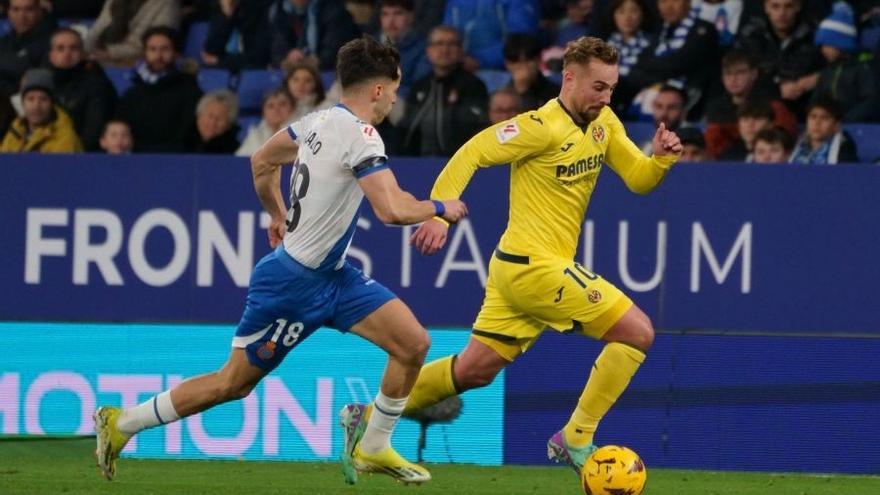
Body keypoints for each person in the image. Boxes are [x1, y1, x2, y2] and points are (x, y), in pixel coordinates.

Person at [92, 34, 468, 486]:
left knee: (412, 344)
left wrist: (278, 214)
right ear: (376, 88)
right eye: (393, 87)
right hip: (292, 285)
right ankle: (122, 422)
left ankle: (372, 446)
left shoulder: (317, 121)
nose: (393, 96)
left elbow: (262, 161)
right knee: (232, 383)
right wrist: (441, 208)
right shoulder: (362, 135)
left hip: (334, 277)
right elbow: (393, 210)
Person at [402, 36, 681, 477]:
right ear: (569, 78)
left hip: (518, 270)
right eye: (598, 87)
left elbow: (638, 179)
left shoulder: (604, 123)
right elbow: (473, 151)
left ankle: (372, 414)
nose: (606, 97)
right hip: (534, 266)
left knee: (475, 370)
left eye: (611, 87)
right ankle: (576, 438)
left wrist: (660, 160)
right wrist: (438, 212)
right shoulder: (538, 126)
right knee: (637, 332)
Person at [400, 26, 489, 156]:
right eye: (439, 44)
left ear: (461, 50)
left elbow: (473, 126)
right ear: (428, 51)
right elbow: (407, 127)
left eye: (451, 44)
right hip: (418, 163)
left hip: (458, 160)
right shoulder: (420, 86)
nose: (445, 50)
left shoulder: (474, 86)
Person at [115, 26, 203, 152]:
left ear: (176, 53)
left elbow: (188, 138)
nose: (158, 55)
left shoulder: (191, 92)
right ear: (145, 53)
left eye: (165, 49)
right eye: (152, 49)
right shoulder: (132, 95)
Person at [47, 27, 118, 151]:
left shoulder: (98, 85)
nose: (67, 54)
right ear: (51, 56)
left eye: (73, 48)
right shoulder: (43, 84)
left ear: (83, 54)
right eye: (60, 48)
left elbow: (93, 132)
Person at [0, 67, 83, 153]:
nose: (36, 106)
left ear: (52, 104)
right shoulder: (16, 129)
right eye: (30, 99)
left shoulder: (66, 138)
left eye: (43, 99)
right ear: (23, 103)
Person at [86, 0, 181, 67]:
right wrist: (84, 49)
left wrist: (110, 53)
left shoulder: (167, 4)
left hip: (133, 63)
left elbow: (158, 45)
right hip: (100, 57)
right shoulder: (113, 1)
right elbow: (96, 29)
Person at [0, 0, 56, 95]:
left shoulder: (54, 41)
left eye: (29, 10)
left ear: (39, 11)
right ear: (8, 12)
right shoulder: (5, 41)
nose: (22, 16)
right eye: (16, 9)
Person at [789, 96, 858, 164]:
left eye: (824, 118)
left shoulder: (845, 149)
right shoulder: (796, 142)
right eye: (813, 117)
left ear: (837, 126)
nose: (817, 123)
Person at [503, 33, 561, 111]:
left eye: (529, 59)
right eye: (515, 60)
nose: (522, 65)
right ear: (506, 64)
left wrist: (524, 93)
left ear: (539, 59)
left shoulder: (557, 93)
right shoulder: (500, 96)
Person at [236, 87, 295, 156]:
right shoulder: (255, 134)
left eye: (282, 104)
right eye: (270, 106)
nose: (276, 109)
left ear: (293, 109)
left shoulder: (301, 132)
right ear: (263, 113)